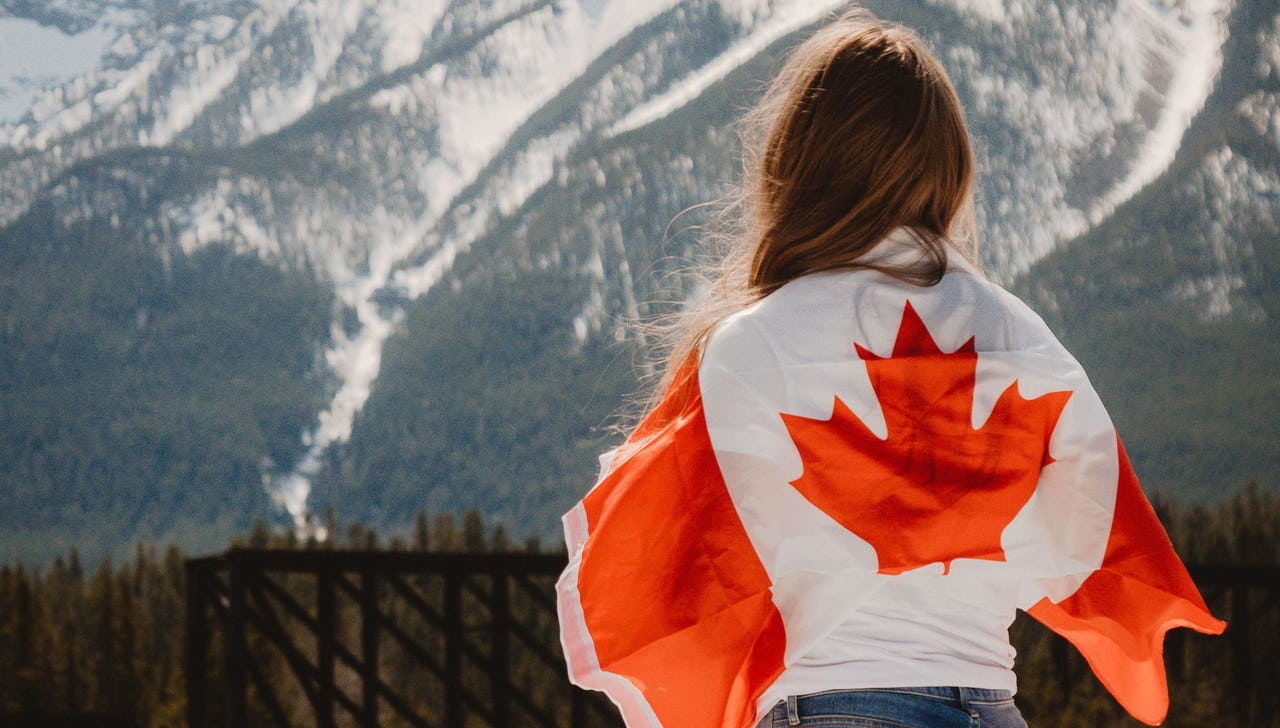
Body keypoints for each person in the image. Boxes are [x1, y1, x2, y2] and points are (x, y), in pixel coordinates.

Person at [556, 8, 1224, 728]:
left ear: (798, 166)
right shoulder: (1022, 339)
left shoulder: (746, 351)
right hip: (992, 709)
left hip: (833, 707)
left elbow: (647, 571)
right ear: (949, 163)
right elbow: (1092, 538)